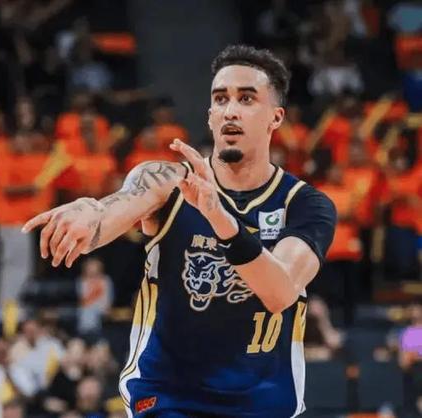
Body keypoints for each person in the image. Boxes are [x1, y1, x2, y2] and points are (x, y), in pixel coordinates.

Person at [23, 45, 337, 417]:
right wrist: (91, 212)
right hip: (170, 396)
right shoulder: (167, 181)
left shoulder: (305, 205)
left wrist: (219, 218)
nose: (230, 110)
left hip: (264, 402)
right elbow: (116, 209)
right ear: (210, 116)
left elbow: (279, 292)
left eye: (247, 99)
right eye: (220, 99)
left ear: (275, 117)